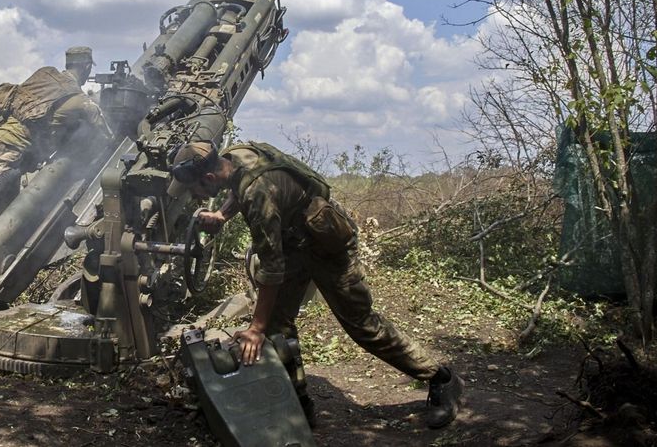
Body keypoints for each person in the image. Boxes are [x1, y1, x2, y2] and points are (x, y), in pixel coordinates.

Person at [167, 140, 464, 429]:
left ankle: (442, 378)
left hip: (327, 245)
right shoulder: (234, 156)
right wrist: (222, 214)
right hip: (295, 245)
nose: (194, 197)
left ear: (208, 176)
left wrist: (254, 329)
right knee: (276, 327)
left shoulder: (258, 194)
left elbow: (271, 268)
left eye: (195, 189)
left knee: (363, 326)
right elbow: (237, 188)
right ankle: (298, 404)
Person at [0, 46, 111, 215]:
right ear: (87, 67)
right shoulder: (80, 100)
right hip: (10, 147)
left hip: (3, 140)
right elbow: (106, 133)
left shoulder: (46, 74)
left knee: (4, 205)